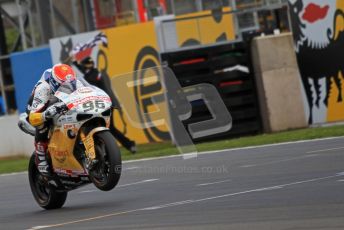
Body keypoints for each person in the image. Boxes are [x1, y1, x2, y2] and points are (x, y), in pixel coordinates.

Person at [73, 57, 137, 153]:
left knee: (108, 128)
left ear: (86, 65)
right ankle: (118, 147)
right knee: (105, 128)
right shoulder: (93, 73)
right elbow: (84, 71)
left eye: (83, 65)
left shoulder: (92, 76)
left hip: (105, 104)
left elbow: (87, 80)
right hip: (103, 104)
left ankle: (128, 145)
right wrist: (75, 63)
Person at [26, 64, 77, 175]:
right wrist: (45, 114)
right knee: (42, 123)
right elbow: (33, 117)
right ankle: (40, 155)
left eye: (70, 84)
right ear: (54, 82)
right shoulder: (43, 88)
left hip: (59, 99)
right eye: (63, 85)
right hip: (39, 105)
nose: (68, 86)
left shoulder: (71, 79)